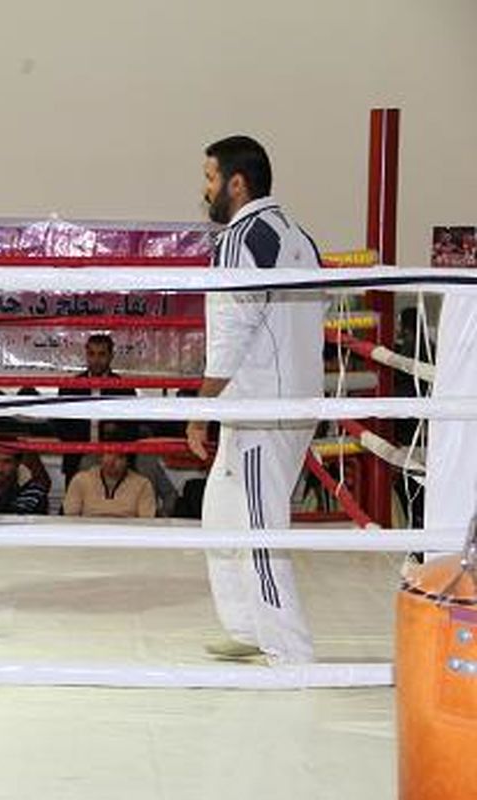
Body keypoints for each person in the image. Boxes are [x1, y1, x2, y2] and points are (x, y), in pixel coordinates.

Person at [186, 135, 324, 666]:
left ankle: (289, 650)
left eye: (210, 178)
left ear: (236, 183)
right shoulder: (298, 235)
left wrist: (202, 407)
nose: (206, 190)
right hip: (285, 401)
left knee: (261, 530)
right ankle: (246, 625)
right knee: (221, 515)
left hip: (261, 407)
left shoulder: (239, 238)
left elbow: (232, 331)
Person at [54, 334, 137, 484]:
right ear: (86, 355)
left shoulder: (124, 388)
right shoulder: (70, 386)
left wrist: (116, 431)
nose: (96, 360)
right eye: (92, 354)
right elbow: (58, 423)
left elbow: (133, 428)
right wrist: (78, 442)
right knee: (74, 506)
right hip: (78, 457)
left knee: (111, 505)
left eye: (102, 354)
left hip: (113, 460)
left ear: (111, 356)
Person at [62, 429, 157, 518]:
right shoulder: (80, 480)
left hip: (127, 533)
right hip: (89, 532)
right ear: (100, 456)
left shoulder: (143, 484)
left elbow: (146, 522)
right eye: (109, 453)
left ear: (128, 461)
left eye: (119, 457)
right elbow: (70, 518)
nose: (112, 461)